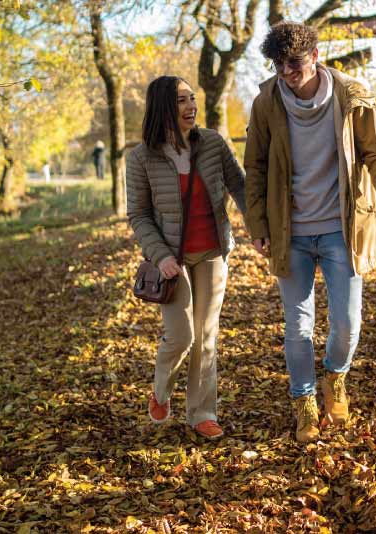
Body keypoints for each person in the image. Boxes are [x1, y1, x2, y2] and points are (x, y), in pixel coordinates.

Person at [244, 22, 376, 443]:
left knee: (348, 325)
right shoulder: (267, 102)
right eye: (279, 65)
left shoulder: (350, 96)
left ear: (315, 57)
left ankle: (336, 377)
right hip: (289, 230)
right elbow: (254, 166)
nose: (287, 73)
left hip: (340, 229)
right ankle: (305, 404)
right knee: (296, 328)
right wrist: (257, 223)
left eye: (294, 64)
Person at [126, 75, 246, 439]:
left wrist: (260, 228)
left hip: (212, 251)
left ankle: (201, 412)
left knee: (207, 334)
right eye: (181, 100)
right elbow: (139, 215)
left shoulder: (211, 143)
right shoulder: (140, 157)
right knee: (181, 336)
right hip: (172, 260)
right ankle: (161, 390)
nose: (191, 106)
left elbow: (239, 186)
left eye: (192, 98)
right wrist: (160, 255)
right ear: (163, 105)